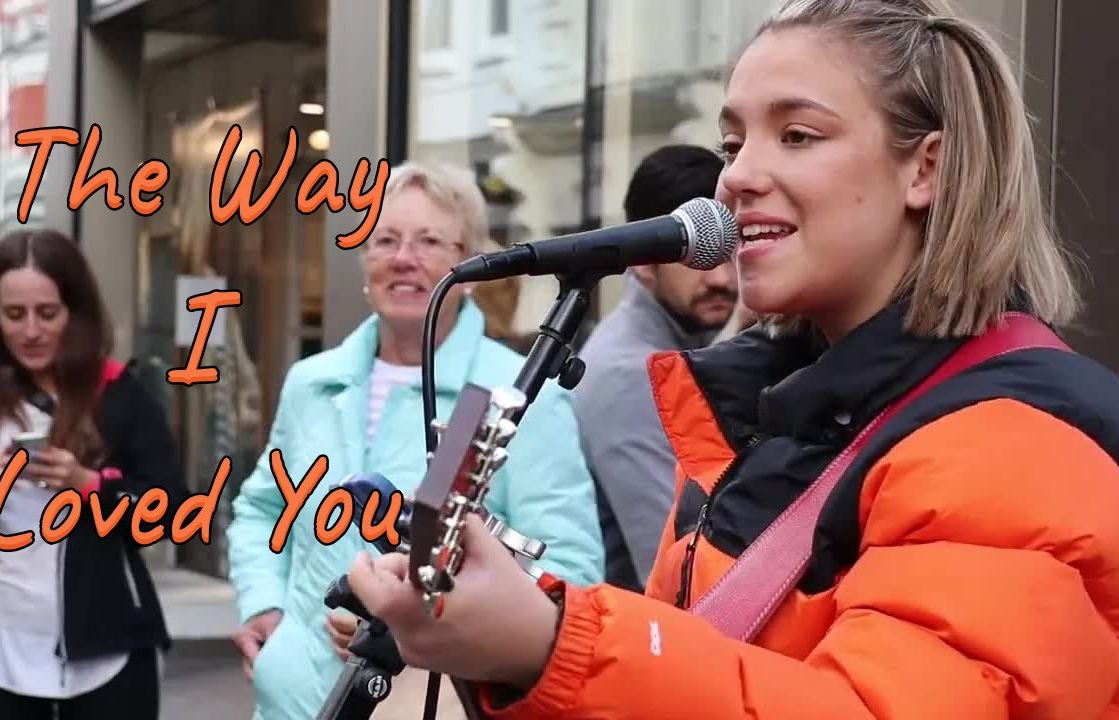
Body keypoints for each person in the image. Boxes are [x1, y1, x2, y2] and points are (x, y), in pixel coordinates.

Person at [340, 0, 1119, 717]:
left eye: (798, 135)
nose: (737, 176)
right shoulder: (763, 410)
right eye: (733, 142)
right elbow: (702, 661)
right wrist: (517, 628)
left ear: (927, 169)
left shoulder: (1016, 443)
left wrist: (550, 642)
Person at [225, 161, 605, 720]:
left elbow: (567, 575)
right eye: (386, 240)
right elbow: (262, 511)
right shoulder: (312, 382)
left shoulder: (521, 395)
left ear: (469, 264)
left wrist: (426, 632)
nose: (404, 258)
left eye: (430, 241)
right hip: (289, 703)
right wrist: (263, 606)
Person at [0, 229, 185, 720]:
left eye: (48, 313)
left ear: (75, 313)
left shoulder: (119, 395)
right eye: (14, 315)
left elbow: (175, 513)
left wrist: (91, 486)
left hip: (106, 654)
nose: (31, 331)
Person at [574, 144, 743, 591]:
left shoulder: (686, 342)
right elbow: (675, 570)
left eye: (729, 247)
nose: (722, 278)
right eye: (699, 255)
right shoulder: (630, 374)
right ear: (644, 259)